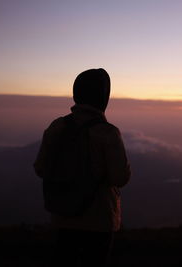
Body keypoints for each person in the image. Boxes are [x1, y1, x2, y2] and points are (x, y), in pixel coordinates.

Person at [34, 68, 131, 266]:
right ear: (103, 97)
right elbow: (120, 178)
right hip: (99, 221)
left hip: (62, 217)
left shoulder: (57, 126)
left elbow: (40, 168)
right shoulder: (108, 133)